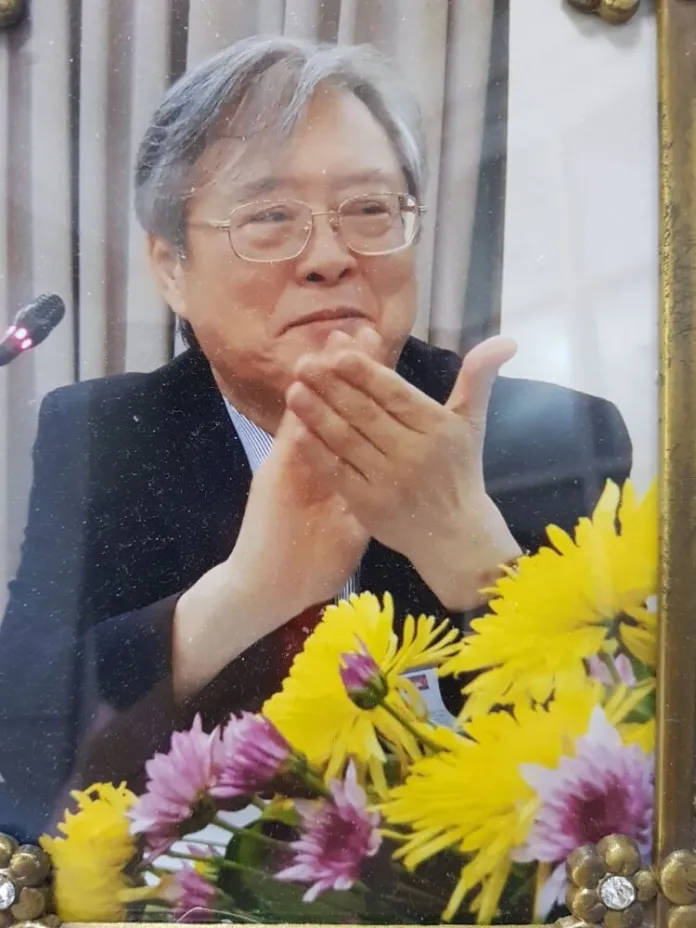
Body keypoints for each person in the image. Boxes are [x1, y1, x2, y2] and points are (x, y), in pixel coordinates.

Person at [0, 36, 631, 841]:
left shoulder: (556, 439)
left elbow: (630, 764)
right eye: (270, 218)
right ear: (171, 268)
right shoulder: (107, 434)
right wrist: (242, 596)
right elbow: (23, 747)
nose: (330, 257)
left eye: (369, 210)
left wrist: (475, 558)